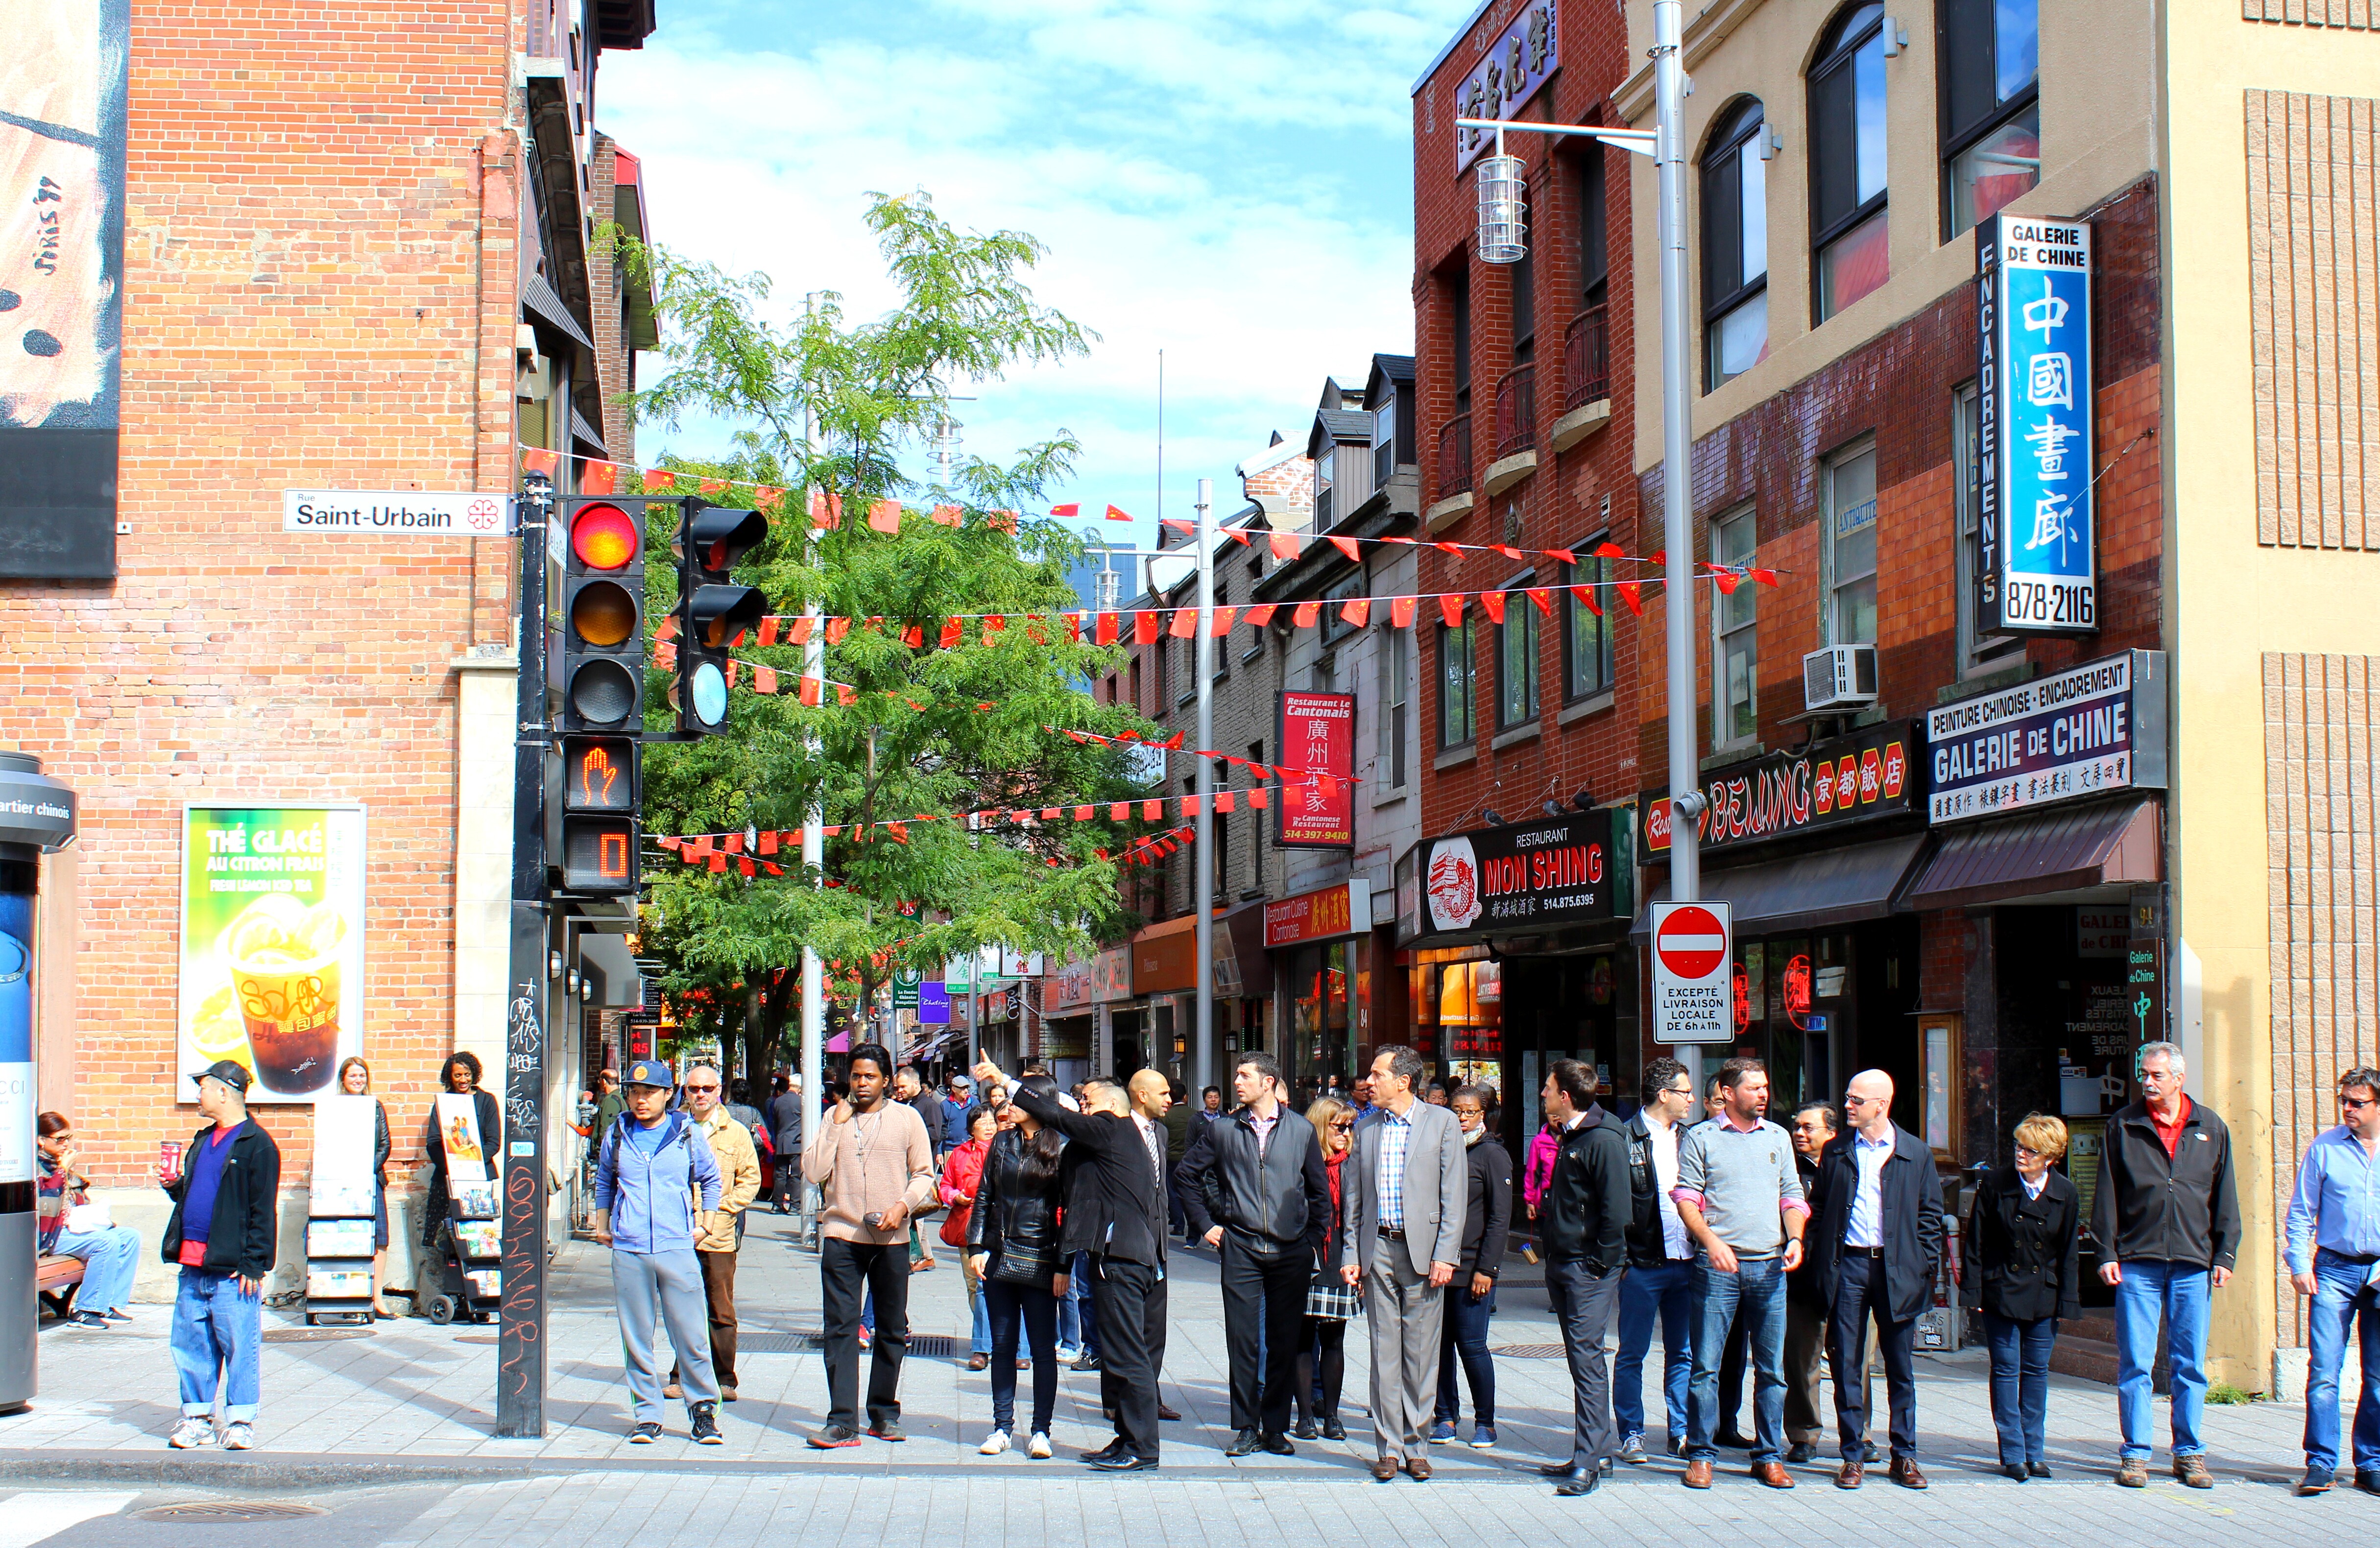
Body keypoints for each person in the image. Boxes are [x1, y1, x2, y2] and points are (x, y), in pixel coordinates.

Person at [976, 1055, 1172, 1471]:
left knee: (1128, 1354)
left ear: (1113, 1105)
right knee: (1118, 1354)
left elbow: (1055, 1114)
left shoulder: (1113, 1126)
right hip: (1120, 1256)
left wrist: (1006, 1082)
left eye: (1087, 1101)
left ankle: (1142, 1448)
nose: (1082, 1108)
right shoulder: (1120, 1140)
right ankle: (1126, 1439)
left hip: (1121, 1259)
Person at [2092, 1039, 2239, 1489]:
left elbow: (2225, 1196)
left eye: (2157, 1075)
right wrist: (2105, 1252)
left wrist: (2225, 1253)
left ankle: (2188, 1453)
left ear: (2179, 1077)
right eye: (2145, 1075)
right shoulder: (2124, 1125)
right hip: (2137, 1261)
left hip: (2194, 1263)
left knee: (2188, 1363)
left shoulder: (2209, 1127)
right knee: (2136, 1362)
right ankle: (2135, 1455)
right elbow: (2107, 1194)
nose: (2148, 1082)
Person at [1177, 1052, 1330, 1457]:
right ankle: (1246, 1426)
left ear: (1268, 1083)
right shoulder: (1224, 1129)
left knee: (1283, 1341)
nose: (1238, 1082)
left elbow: (1319, 1192)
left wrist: (1311, 1242)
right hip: (1241, 1247)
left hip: (1289, 1250)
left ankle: (1276, 1428)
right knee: (1243, 1341)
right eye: (1237, 1075)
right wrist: (1208, 1225)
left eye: (1246, 1076)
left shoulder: (1299, 1130)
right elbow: (1187, 1176)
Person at [1804, 1070, 1944, 1490]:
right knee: (1847, 1362)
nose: (1847, 1106)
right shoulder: (1837, 1150)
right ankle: (1852, 1455)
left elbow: (1930, 1217)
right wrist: (1816, 1254)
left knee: (1900, 1367)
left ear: (1881, 1105)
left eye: (1856, 1100)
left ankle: (1904, 1455)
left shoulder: (1914, 1152)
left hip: (1897, 1269)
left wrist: (1923, 1267)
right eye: (1848, 1098)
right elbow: (1820, 1207)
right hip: (1848, 1266)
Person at [1673, 1056, 1807, 1490]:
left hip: (1769, 1267)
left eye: (1766, 1087)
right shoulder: (1701, 1138)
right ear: (1728, 1094)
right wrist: (1710, 1242)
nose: (1764, 1094)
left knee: (1771, 1370)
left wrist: (1795, 1239)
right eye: (1754, 1088)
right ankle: (1701, 1454)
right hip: (1717, 1270)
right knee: (1705, 1368)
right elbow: (1686, 1199)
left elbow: (1791, 1195)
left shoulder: (1779, 1137)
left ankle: (1767, 1455)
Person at [1340, 1044, 1466, 1482]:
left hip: (1424, 1256)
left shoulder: (1443, 1123)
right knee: (1383, 1354)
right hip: (1378, 1252)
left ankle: (1417, 1445)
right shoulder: (1367, 1127)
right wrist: (1351, 1255)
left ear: (1403, 1081)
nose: (1368, 1082)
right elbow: (1353, 1199)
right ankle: (1388, 1448)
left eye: (1377, 1075)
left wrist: (1446, 1255)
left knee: (1420, 1354)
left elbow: (1454, 1197)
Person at [802, 1042, 938, 1447]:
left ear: (886, 1081)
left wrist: (902, 1207)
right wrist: (834, 1126)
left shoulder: (907, 1119)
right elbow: (813, 1172)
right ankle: (842, 1420)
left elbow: (924, 1174)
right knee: (840, 1328)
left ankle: (883, 1413)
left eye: (870, 1077)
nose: (861, 1084)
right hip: (842, 1235)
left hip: (891, 1236)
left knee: (892, 1328)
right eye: (856, 1076)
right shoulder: (834, 1117)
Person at [590, 1059, 725, 1443]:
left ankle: (703, 1413)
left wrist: (707, 1222)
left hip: (677, 1247)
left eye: (650, 1093)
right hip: (630, 1248)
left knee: (691, 1334)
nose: (640, 1100)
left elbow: (710, 1177)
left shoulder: (685, 1131)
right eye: (634, 1092)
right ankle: (647, 1415)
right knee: (636, 1338)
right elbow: (604, 1180)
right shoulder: (618, 1132)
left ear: (669, 1095)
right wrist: (603, 1226)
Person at [158, 1061, 281, 1450]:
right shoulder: (201, 1140)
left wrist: (254, 1262)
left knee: (239, 1345)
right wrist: (176, 1186)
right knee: (191, 1344)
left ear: (225, 1092)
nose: (199, 1095)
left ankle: (241, 1421)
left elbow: (263, 1209)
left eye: (204, 1088)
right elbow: (200, 1195)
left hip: (232, 1270)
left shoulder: (256, 1145)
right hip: (193, 1265)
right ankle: (196, 1419)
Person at [1964, 1112, 2081, 1483]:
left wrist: (2068, 1302)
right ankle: (2013, 1452)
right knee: (2005, 1369)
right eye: (2018, 1146)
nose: (2021, 1154)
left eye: (2030, 1150)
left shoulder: (2065, 1192)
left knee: (2035, 1373)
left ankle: (2036, 1452)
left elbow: (2068, 1253)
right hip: (2000, 1289)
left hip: (2043, 1295)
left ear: (2050, 1156)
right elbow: (1975, 1241)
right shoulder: (1996, 1184)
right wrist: (1973, 1291)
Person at [1531, 1060, 1630, 1496]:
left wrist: (1598, 1264)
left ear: (1565, 1096)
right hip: (1564, 1261)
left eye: (1548, 1088)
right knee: (1581, 1360)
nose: (1543, 1094)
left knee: (1587, 1362)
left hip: (1586, 1267)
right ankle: (1595, 1452)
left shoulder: (1602, 1138)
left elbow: (1616, 1211)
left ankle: (1588, 1463)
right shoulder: (1571, 1134)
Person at [2284, 1065, 2380, 1497]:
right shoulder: (2324, 1148)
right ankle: (2321, 1463)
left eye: (2356, 1102)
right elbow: (2301, 1212)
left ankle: (2370, 1462)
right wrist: (2298, 1263)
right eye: (2343, 1101)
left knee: (2377, 1376)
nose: (2347, 1109)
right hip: (2334, 1269)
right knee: (2324, 1369)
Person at [969, 1072, 1072, 1458]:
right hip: (999, 1254)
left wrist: (1064, 1265)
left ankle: (1041, 1430)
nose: (1010, 1104)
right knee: (1002, 1344)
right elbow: (984, 1197)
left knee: (1043, 1349)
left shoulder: (1060, 1148)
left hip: (1043, 1256)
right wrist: (976, 1246)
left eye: (1020, 1098)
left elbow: (1071, 1212)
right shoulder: (1002, 1141)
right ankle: (1001, 1427)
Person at [655, 1063, 758, 1405]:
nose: (700, 1095)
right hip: (677, 1232)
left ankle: (724, 1377)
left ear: (719, 1091)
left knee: (719, 1308)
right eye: (693, 1089)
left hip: (718, 1236)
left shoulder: (736, 1133)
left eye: (707, 1089)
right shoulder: (671, 1128)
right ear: (684, 1092)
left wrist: (722, 1210)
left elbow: (750, 1180)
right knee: (681, 1306)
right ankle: (680, 1375)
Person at [1616, 1058, 1698, 1464]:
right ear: (1664, 1094)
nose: (1692, 1099)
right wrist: (1623, 1260)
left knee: (1682, 1352)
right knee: (1632, 1352)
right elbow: (1610, 1206)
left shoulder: (1693, 1139)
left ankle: (1680, 1431)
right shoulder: (1623, 1137)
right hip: (1642, 1264)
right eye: (1685, 1092)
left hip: (1687, 1262)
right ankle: (1631, 1431)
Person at [1432, 1083, 1511, 1448]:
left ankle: (1486, 1421)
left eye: (1470, 1112)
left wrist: (1487, 1269)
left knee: (1472, 1345)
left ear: (1484, 1115)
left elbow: (1499, 1218)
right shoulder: (1441, 1147)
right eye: (1456, 1111)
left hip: (1472, 1268)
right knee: (1438, 1346)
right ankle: (1445, 1416)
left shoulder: (1491, 1155)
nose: (1462, 1118)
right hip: (1436, 1265)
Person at [1783, 1100, 1856, 1465]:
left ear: (1830, 1132)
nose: (1798, 1132)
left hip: (1847, 1277)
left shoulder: (1848, 1165)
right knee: (1800, 1360)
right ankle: (1803, 1435)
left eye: (1807, 1127)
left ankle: (1860, 1435)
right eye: (1796, 1126)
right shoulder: (1786, 1167)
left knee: (1852, 1360)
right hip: (1799, 1279)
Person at [37, 1113, 141, 1329]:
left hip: (71, 1229)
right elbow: (47, 1203)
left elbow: (77, 1201)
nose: (66, 1144)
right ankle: (87, 1310)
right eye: (60, 1139)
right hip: (48, 1236)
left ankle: (109, 1304)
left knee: (129, 1236)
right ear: (41, 1140)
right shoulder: (36, 1167)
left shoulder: (57, 1163)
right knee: (105, 1242)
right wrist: (62, 1169)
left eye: (68, 1138)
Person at [1296, 1096, 1356, 1441]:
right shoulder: (1302, 1162)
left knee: (1334, 1338)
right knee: (1301, 1339)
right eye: (1339, 1126)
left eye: (1350, 1127)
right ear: (1321, 1126)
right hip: (1305, 1253)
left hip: (1338, 1254)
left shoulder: (1352, 1164)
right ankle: (1304, 1416)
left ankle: (1332, 1415)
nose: (1347, 1133)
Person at [420, 1050, 500, 1258]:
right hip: (448, 1176)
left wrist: (470, 1162)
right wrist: (452, 1167)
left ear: (474, 1074)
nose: (463, 1080)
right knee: (447, 1235)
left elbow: (494, 1142)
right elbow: (433, 1143)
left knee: (478, 1232)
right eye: (457, 1076)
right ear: (450, 1077)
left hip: (479, 1175)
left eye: (467, 1075)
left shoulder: (487, 1101)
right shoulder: (443, 1102)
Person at [333, 1058, 396, 1319]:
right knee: (350, 1238)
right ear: (343, 1080)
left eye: (362, 1076)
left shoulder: (376, 1107)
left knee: (380, 1238)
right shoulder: (335, 1108)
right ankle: (350, 1297)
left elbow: (385, 1144)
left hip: (371, 1179)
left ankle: (377, 1297)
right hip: (343, 1181)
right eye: (352, 1076)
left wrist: (366, 1169)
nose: (358, 1080)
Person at [941, 1106, 998, 1371]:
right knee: (976, 1287)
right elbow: (945, 1186)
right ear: (972, 1127)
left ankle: (990, 1342)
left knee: (996, 1288)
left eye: (992, 1122)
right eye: (983, 1122)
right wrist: (955, 1197)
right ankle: (985, 1339)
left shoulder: (1005, 1148)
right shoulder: (961, 1155)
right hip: (969, 1226)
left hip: (998, 1228)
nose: (989, 1126)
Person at [767, 1074, 805, 1213]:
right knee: (796, 1175)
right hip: (797, 1142)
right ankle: (795, 1206)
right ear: (800, 1087)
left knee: (780, 1174)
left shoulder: (778, 1101)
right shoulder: (801, 1102)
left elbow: (775, 1123)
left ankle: (777, 1205)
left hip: (781, 1141)